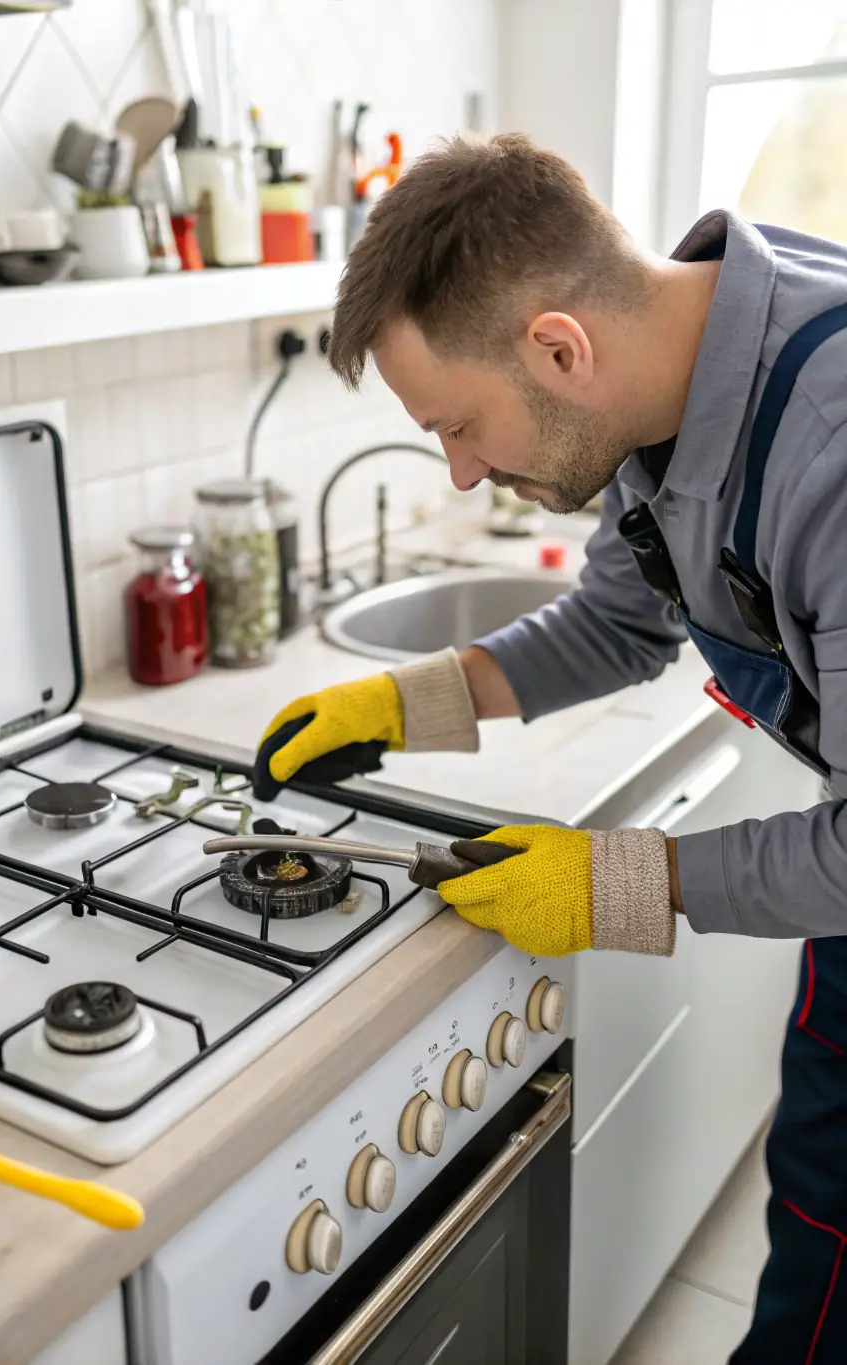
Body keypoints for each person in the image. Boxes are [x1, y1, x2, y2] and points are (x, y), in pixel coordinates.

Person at [254, 134, 847, 1362]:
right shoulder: (659, 389)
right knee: (816, 1205)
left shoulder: (832, 447)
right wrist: (397, 705)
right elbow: (617, 626)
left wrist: (615, 883)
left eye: (460, 428)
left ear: (558, 349)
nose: (462, 475)